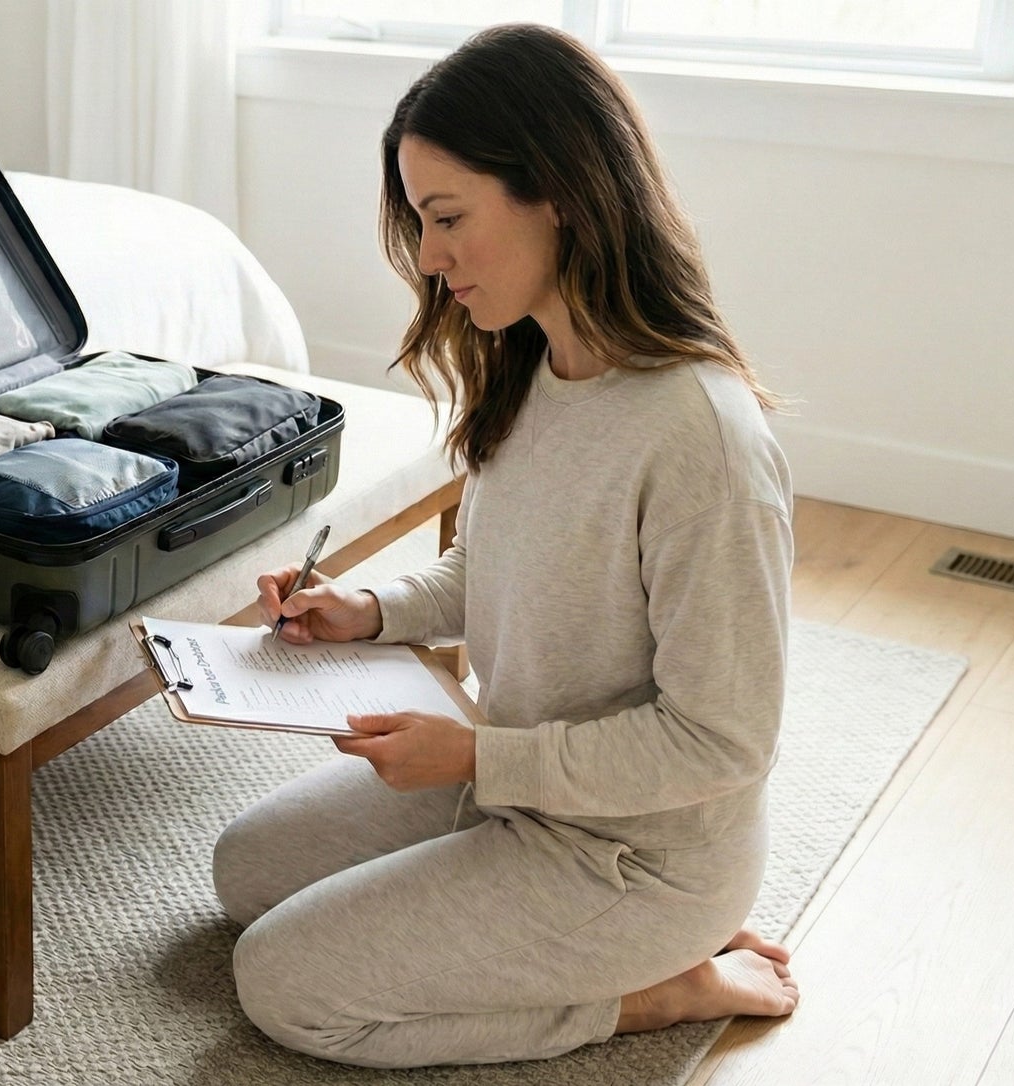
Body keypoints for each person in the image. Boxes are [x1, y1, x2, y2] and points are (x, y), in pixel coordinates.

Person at [214, 23, 799, 1069]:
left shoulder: (700, 440)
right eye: (419, 222)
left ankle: (657, 989)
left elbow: (722, 743)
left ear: (559, 193)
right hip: (519, 780)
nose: (429, 259)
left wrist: (481, 755)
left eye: (447, 218)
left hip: (638, 857)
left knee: (285, 985)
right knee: (244, 871)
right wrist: (370, 612)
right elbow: (500, 564)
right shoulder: (532, 365)